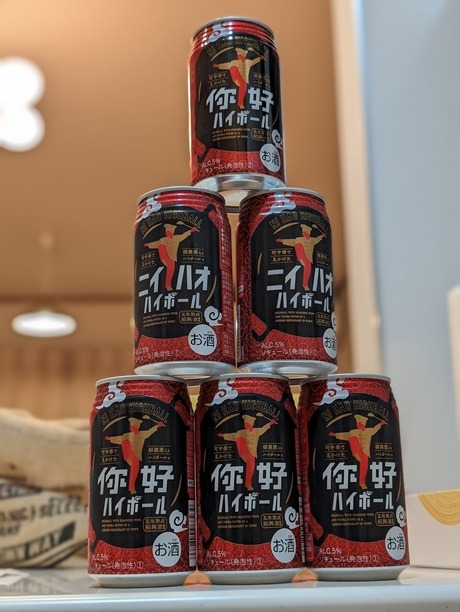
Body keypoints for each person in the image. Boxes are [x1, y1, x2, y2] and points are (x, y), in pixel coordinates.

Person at [105, 416, 165, 494]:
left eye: (133, 427)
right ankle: (131, 486)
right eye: (131, 427)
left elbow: (149, 431)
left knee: (134, 472)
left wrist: (157, 426)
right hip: (129, 454)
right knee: (125, 441)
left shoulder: (142, 434)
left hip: (137, 456)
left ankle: (132, 488)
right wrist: (110, 439)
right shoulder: (127, 435)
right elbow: (119, 438)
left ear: (137, 428)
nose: (131, 429)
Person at [218, 414, 276, 491]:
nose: (245, 426)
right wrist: (223, 435)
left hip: (252, 454)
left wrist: (270, 423)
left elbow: (263, 428)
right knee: (238, 437)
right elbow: (233, 435)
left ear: (251, 424)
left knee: (251, 469)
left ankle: (248, 484)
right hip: (244, 452)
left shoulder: (256, 431)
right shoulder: (241, 432)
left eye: (246, 424)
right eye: (244, 424)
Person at [329, 413, 387, 489]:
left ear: (363, 424)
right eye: (357, 424)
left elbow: (375, 428)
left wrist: (381, 423)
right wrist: (335, 434)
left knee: (364, 468)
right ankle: (356, 453)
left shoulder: (369, 431)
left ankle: (362, 484)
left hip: (365, 453)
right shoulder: (353, 432)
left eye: (359, 424)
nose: (357, 425)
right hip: (356, 451)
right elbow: (345, 435)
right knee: (352, 438)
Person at [144, 223, 199, 291]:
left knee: (170, 271)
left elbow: (183, 235)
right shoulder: (163, 239)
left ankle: (168, 285)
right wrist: (148, 244)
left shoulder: (176, 238)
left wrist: (191, 230)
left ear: (172, 232)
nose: (167, 233)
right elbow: (156, 243)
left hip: (172, 258)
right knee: (161, 245)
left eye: (168, 232)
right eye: (166, 232)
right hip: (165, 256)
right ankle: (163, 260)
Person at [276, 224, 326, 291]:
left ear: (308, 233)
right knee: (298, 244)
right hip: (301, 256)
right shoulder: (299, 239)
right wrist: (282, 240)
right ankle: (305, 284)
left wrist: (322, 236)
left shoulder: (312, 240)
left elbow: (317, 239)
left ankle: (305, 285)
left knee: (308, 269)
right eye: (302, 232)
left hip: (309, 258)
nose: (302, 234)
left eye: (304, 232)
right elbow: (291, 241)